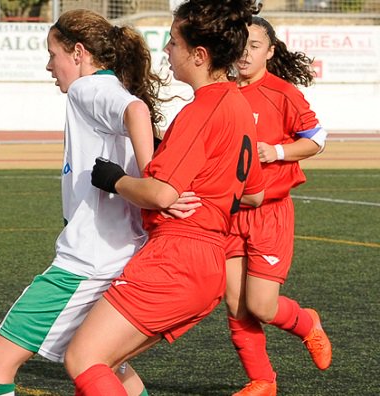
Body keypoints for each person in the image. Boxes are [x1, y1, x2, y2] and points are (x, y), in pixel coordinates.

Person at [62, 1, 266, 394]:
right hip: (209, 261)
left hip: (176, 257)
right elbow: (254, 194)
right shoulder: (239, 104)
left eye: (173, 43)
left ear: (199, 55)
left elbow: (160, 193)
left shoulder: (202, 109)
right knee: (110, 361)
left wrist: (115, 179)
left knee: (83, 358)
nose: (167, 52)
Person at [0, 9, 173, 396]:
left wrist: (152, 176)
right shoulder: (107, 87)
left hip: (85, 263)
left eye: (53, 54)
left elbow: (136, 110)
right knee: (108, 368)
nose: (49, 66)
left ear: (78, 52)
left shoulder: (87, 89)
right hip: (120, 256)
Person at [224, 16, 331, 396]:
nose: (245, 53)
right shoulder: (222, 92)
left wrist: (279, 151)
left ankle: (307, 324)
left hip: (269, 214)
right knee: (235, 305)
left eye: (254, 46)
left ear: (270, 51)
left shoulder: (282, 93)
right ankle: (262, 381)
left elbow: (318, 138)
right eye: (241, 45)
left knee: (262, 307)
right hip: (230, 213)